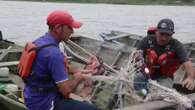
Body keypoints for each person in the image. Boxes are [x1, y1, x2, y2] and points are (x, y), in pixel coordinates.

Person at [21, 10, 100, 110]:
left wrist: (78, 71)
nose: (72, 31)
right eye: (69, 27)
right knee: (93, 109)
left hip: (31, 94)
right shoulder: (54, 54)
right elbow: (66, 92)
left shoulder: (41, 42)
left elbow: (56, 65)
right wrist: (78, 77)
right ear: (58, 28)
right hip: (43, 102)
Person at [133, 18, 195, 95]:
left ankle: (155, 99)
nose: (164, 38)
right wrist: (137, 59)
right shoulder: (147, 40)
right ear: (156, 32)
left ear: (172, 34)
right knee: (138, 78)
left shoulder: (177, 45)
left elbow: (187, 63)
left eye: (168, 35)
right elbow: (135, 56)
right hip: (146, 73)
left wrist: (190, 78)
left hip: (165, 77)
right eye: (161, 34)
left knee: (163, 93)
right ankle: (142, 96)